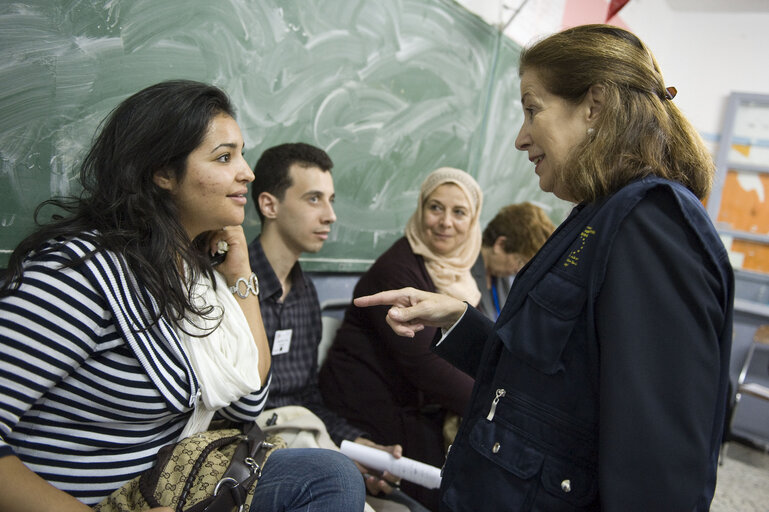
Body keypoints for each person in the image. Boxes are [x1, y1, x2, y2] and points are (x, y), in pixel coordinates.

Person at [353, 25, 734, 512]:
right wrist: (458, 320)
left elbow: (658, 463)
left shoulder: (650, 225)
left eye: (532, 109)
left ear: (593, 106)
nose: (520, 137)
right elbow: (555, 378)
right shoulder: (599, 214)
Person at [0, 80, 364, 512]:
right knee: (327, 480)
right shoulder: (81, 272)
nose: (246, 172)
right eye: (225, 157)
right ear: (163, 173)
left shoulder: (194, 273)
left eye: (241, 154)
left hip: (171, 488)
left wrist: (241, 272)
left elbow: (250, 397)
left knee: (330, 474)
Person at [247, 142, 427, 512]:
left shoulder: (304, 295)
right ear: (269, 205)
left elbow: (308, 400)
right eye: (314, 199)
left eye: (331, 200)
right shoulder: (230, 289)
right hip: (251, 452)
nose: (330, 215)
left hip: (306, 439)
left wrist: (357, 445)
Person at [319, 167, 483, 511]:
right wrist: (492, 404)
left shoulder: (466, 270)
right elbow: (424, 365)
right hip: (372, 409)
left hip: (418, 407)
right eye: (435, 208)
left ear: (474, 219)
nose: (445, 223)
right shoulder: (396, 268)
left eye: (459, 212)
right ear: (420, 209)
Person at [472, 202, 555, 320]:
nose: (518, 270)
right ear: (500, 244)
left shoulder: (505, 279)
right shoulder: (463, 272)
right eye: (520, 261)